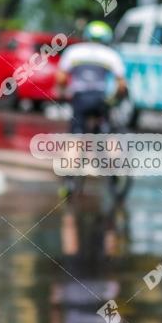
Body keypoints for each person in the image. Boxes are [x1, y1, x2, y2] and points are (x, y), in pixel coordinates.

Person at [56, 20, 128, 199]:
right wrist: (114, 99)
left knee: (75, 137)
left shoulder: (74, 52)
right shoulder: (111, 55)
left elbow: (61, 78)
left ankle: (70, 181)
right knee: (108, 135)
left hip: (80, 99)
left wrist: (65, 91)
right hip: (100, 99)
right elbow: (121, 85)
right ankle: (115, 170)